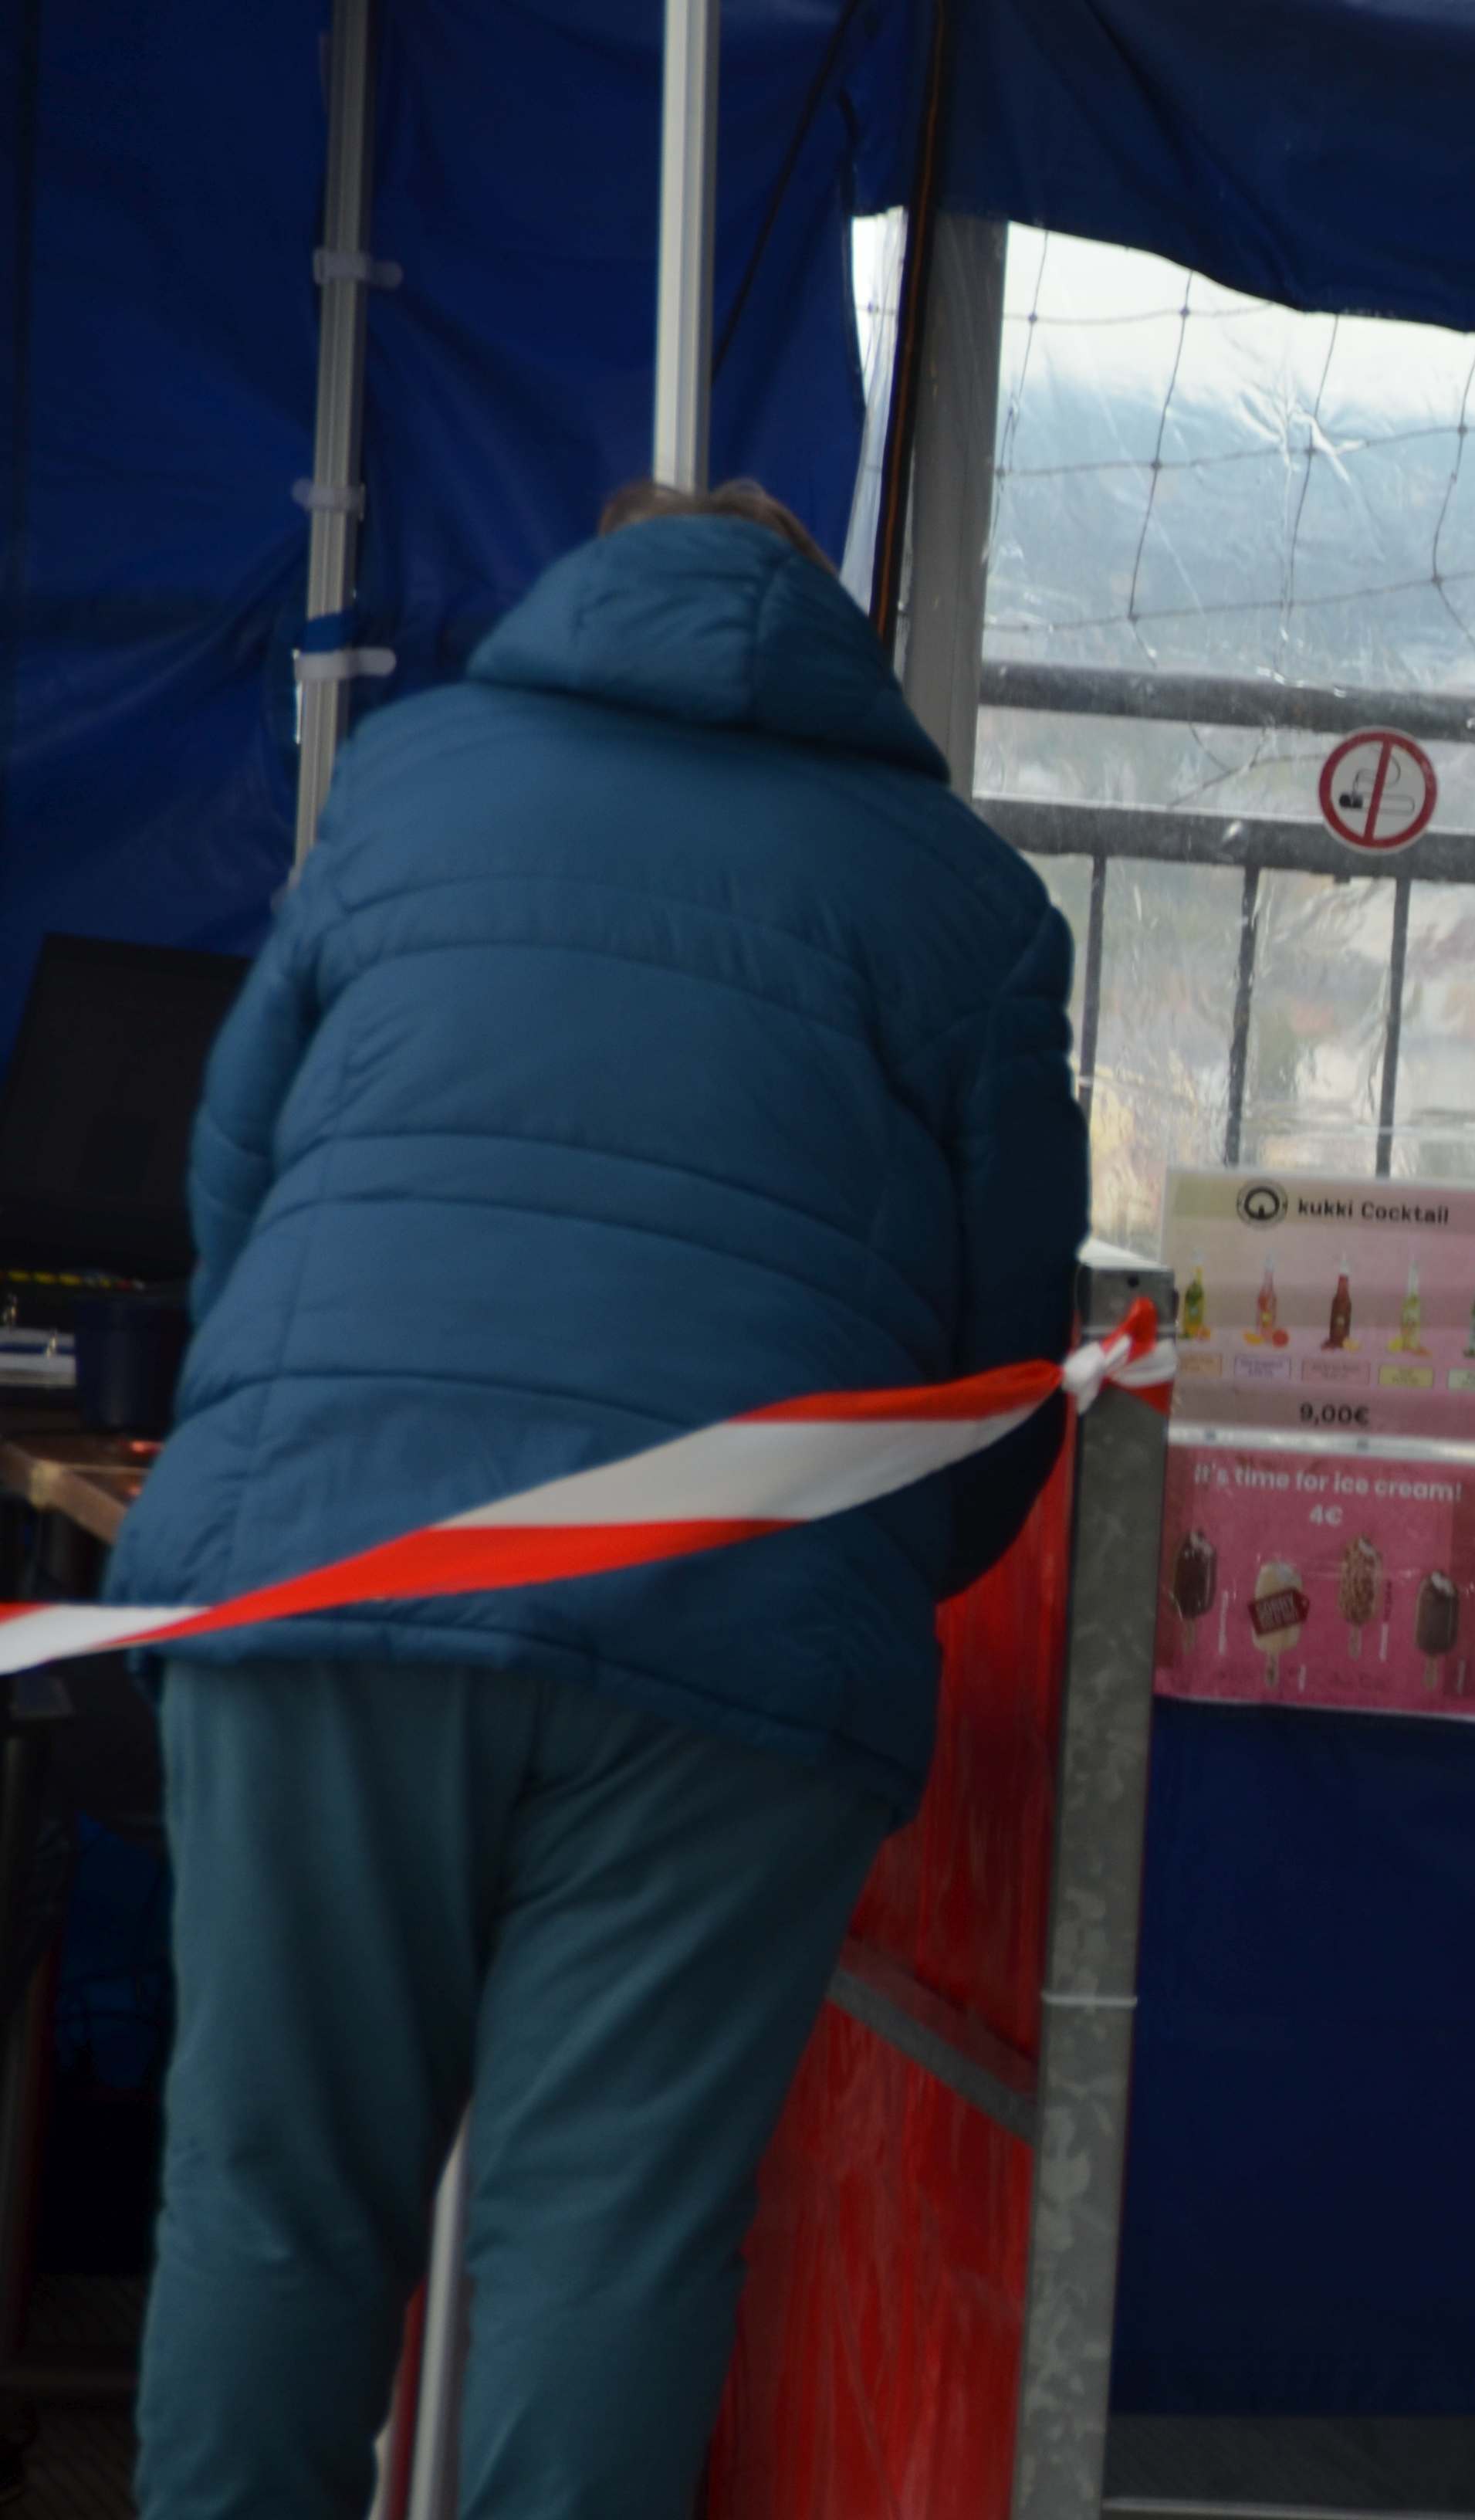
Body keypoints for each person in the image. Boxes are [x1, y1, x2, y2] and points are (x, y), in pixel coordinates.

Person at [111, 480, 1086, 2517]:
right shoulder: (966, 897)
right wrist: (857, 1575)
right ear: (838, 634)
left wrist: (284, 1434)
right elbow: (1008, 1350)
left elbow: (235, 1164)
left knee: (275, 2198)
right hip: (736, 1620)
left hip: (335, 1574)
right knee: (612, 2239)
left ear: (585, 589)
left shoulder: (413, 779)